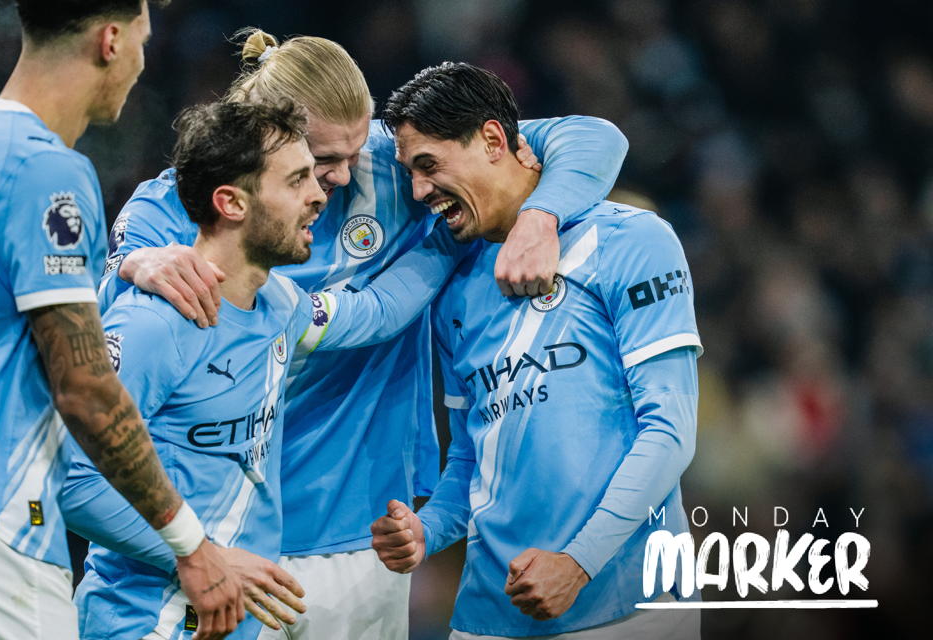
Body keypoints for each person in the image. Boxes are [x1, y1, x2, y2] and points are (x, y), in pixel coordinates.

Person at [96, 30, 629, 639]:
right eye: (321, 161)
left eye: (355, 151)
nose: (346, 177)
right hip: (217, 542)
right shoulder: (170, 206)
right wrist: (133, 263)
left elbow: (592, 137)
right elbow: (114, 344)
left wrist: (541, 216)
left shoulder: (394, 166)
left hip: (361, 534)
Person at [0, 2, 246, 639]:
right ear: (111, 41)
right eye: (143, 41)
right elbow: (86, 389)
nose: (145, 63)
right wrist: (189, 542)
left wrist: (124, 266)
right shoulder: (48, 169)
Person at [62, 98, 471, 640]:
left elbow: (377, 313)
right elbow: (73, 483)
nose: (320, 195)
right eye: (298, 179)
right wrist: (200, 553)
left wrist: (452, 227)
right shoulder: (152, 325)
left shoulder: (281, 305)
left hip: (237, 619)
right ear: (231, 202)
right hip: (146, 618)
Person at [370, 62, 702, 639]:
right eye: (411, 173)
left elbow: (670, 429)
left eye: (429, 165)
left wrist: (577, 563)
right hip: (489, 615)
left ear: (494, 141)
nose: (419, 191)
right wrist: (428, 529)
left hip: (630, 609)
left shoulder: (632, 240)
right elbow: (471, 463)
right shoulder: (452, 293)